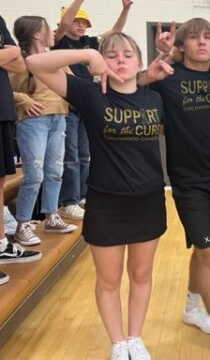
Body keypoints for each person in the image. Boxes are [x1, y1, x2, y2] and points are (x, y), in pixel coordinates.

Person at [26, 32, 167, 360]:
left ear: (139, 61)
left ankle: (135, 337)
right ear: (103, 61)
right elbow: (35, 63)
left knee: (142, 275)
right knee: (109, 279)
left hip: (148, 202)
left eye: (128, 54)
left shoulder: (154, 97)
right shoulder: (91, 94)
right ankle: (118, 342)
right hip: (106, 203)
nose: (120, 60)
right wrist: (87, 53)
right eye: (113, 54)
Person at [142, 18, 210, 360]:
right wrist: (159, 59)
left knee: (207, 248)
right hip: (188, 183)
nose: (201, 43)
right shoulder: (167, 79)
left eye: (207, 38)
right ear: (182, 45)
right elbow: (130, 86)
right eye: (194, 38)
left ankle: (191, 306)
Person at [53, 0, 133, 220]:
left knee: (85, 154)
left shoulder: (88, 42)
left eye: (83, 22)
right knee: (71, 156)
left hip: (85, 106)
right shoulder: (58, 42)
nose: (79, 25)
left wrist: (125, 9)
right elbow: (63, 25)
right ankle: (69, 200)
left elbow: (115, 32)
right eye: (76, 21)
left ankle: (84, 195)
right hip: (67, 106)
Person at [11, 16, 77, 246]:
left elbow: (73, 83)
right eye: (48, 29)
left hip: (59, 118)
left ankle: (51, 215)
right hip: (32, 121)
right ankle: (23, 224)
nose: (53, 32)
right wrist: (23, 100)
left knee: (54, 171)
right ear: (37, 34)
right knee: (34, 174)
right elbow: (5, 89)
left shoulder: (55, 58)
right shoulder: (18, 59)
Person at [0, 15, 41, 284]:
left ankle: (2, 243)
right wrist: (9, 51)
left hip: (2, 111)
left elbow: (17, 63)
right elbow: (12, 54)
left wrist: (10, 52)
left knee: (0, 179)